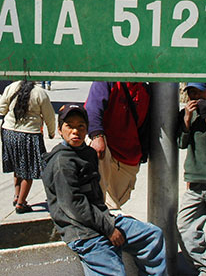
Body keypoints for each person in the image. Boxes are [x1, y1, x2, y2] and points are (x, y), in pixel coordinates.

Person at [42, 104, 167, 276]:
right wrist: (109, 230)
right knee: (114, 272)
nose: (75, 131)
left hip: (102, 219)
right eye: (69, 126)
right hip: (81, 231)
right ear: (60, 129)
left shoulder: (87, 153)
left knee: (152, 236)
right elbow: (74, 206)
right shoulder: (62, 163)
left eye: (81, 126)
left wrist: (109, 223)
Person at [176, 83, 206, 275]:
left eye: (199, 92)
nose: (195, 96)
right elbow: (180, 143)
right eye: (192, 93)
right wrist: (186, 119)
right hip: (195, 179)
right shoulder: (186, 114)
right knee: (184, 226)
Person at [84, 81, 150, 209]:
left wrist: (143, 153)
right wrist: (97, 136)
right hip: (105, 152)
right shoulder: (107, 80)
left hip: (129, 159)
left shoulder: (146, 90)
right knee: (105, 206)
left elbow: (145, 125)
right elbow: (92, 109)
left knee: (116, 202)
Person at [0, 80, 56, 214]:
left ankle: (17, 196)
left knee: (17, 166)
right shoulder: (40, 93)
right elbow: (49, 116)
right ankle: (21, 203)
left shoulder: (11, 87)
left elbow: (1, 108)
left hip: (9, 132)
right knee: (28, 170)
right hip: (30, 134)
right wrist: (51, 132)